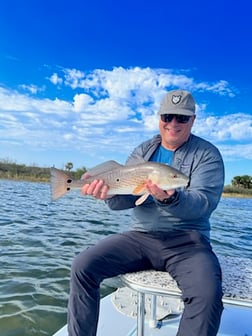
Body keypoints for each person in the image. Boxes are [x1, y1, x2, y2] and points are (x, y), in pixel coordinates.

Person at [67, 89, 225, 336]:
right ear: (159, 117)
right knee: (82, 266)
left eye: (182, 118)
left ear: (193, 120)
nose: (173, 124)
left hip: (188, 242)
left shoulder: (207, 154)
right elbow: (124, 202)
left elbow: (204, 202)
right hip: (140, 237)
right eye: (168, 117)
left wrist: (172, 199)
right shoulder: (142, 151)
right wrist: (107, 194)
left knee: (208, 293)